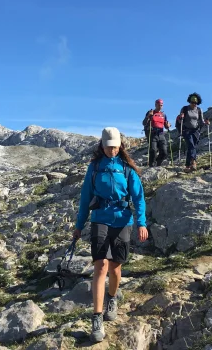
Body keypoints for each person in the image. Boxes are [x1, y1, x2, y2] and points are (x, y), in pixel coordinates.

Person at [73, 127, 148, 343]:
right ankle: (96, 317)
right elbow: (85, 198)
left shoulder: (127, 169)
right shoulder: (94, 168)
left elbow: (139, 198)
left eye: (115, 147)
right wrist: (79, 226)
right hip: (99, 219)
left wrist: (142, 223)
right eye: (108, 147)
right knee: (100, 266)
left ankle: (112, 299)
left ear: (120, 146)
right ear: (102, 146)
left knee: (116, 267)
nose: (112, 150)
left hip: (123, 220)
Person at [177, 93, 210, 172]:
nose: (194, 104)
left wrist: (206, 123)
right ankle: (193, 162)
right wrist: (180, 118)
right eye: (192, 102)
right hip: (186, 130)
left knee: (191, 147)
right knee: (191, 145)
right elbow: (179, 120)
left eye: (195, 102)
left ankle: (187, 166)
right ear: (189, 101)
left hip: (196, 131)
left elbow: (201, 121)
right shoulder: (185, 109)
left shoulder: (199, 110)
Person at [142, 99, 171, 166]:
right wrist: (148, 116)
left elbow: (166, 125)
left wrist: (168, 125)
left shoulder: (163, 114)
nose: (160, 106)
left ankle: (158, 163)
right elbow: (144, 123)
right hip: (152, 133)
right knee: (153, 150)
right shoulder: (151, 112)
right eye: (159, 105)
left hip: (161, 134)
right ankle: (151, 165)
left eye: (161, 105)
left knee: (164, 152)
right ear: (155, 105)